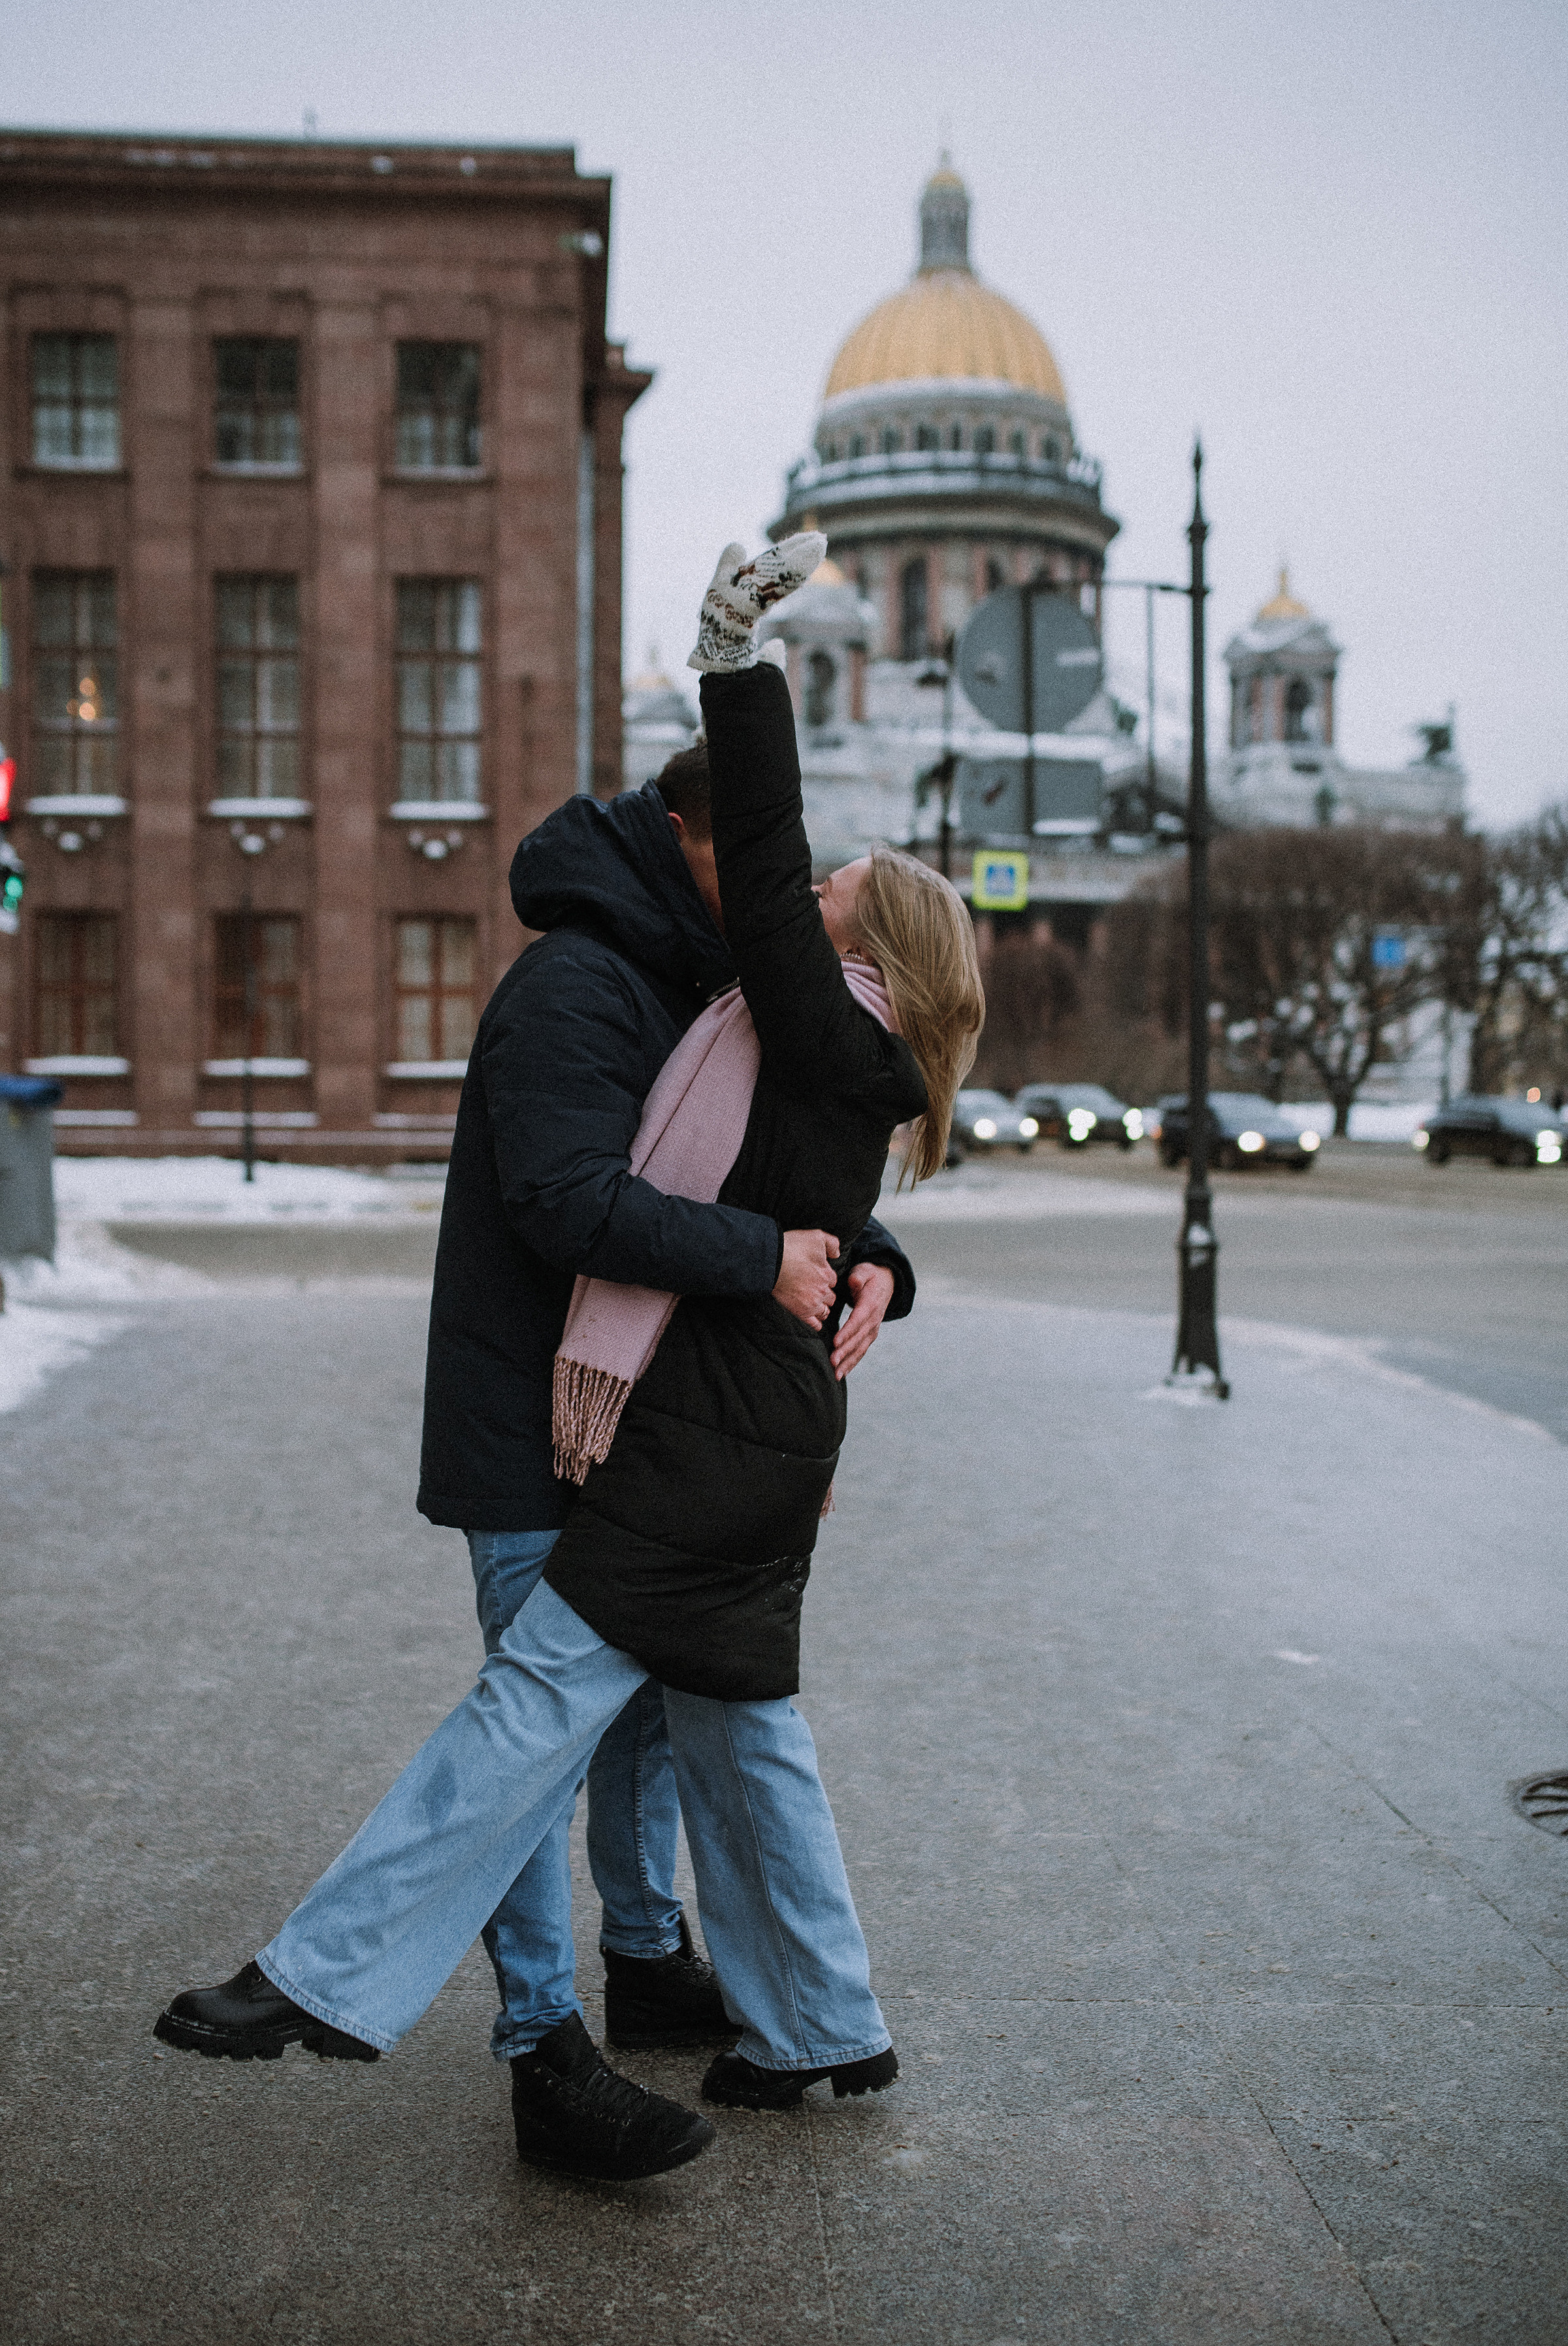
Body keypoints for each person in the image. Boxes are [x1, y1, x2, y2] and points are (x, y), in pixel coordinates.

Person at [154, 533, 985, 2185]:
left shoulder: (800, 1013)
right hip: (702, 1429)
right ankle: (808, 2014)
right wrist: (857, 1254)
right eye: (775, 875)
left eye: (814, 890)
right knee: (727, 1727)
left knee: (540, 1712)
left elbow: (724, 1178)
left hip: (687, 1438)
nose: (786, 890)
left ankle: (353, 1985)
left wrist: (734, 659)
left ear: (862, 943)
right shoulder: (695, 1011)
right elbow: (754, 1195)